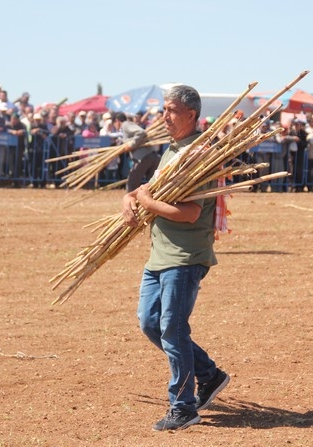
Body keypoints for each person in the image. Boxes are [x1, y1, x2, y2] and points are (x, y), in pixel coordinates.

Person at [122, 85, 229, 432]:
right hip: (160, 254)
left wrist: (149, 202)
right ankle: (209, 375)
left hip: (185, 256)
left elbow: (190, 213)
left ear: (191, 115)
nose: (163, 116)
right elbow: (147, 190)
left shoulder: (198, 155)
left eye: (170, 110)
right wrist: (131, 199)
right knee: (150, 322)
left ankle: (183, 406)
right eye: (163, 109)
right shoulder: (172, 150)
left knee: (172, 327)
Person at [113, 112, 160, 192]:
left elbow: (141, 132)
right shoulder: (126, 127)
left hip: (144, 158)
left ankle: (132, 203)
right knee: (152, 185)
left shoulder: (125, 125)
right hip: (151, 156)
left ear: (117, 121)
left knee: (132, 184)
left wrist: (131, 145)